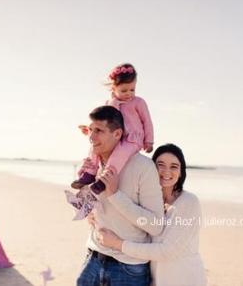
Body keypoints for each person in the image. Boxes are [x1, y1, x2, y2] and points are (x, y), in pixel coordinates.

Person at [94, 144, 207, 286]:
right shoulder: (149, 202)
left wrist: (118, 244)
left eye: (174, 166)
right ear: (151, 169)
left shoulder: (189, 202)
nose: (166, 172)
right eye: (160, 165)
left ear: (181, 172)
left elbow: (167, 251)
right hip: (154, 279)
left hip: (184, 279)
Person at [76, 105, 164, 286]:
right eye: (91, 130)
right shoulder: (92, 165)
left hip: (128, 269)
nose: (91, 137)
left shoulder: (143, 167)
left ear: (117, 134)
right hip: (93, 257)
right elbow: (88, 206)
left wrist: (115, 195)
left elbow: (155, 226)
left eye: (99, 131)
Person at [71, 63, 154, 194]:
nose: (129, 94)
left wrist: (149, 140)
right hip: (115, 138)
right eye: (124, 90)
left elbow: (147, 121)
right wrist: (90, 130)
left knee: (118, 156)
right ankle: (89, 174)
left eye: (132, 89)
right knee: (94, 148)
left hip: (132, 139)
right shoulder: (110, 103)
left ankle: (104, 181)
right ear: (113, 88)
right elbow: (102, 124)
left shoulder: (138, 102)